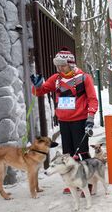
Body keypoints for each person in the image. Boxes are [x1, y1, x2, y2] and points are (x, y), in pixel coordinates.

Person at [30, 50, 98, 194]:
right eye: (58, 66)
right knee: (67, 154)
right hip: (63, 121)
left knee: (82, 153)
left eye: (63, 66)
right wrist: (37, 86)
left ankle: (88, 182)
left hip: (80, 121)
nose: (60, 69)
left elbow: (92, 99)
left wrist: (90, 117)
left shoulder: (84, 78)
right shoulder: (56, 78)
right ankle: (71, 182)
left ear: (71, 65)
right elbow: (39, 92)